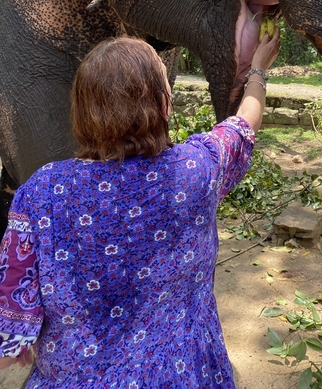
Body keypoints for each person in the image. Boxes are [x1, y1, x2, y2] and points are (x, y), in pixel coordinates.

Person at [0, 30, 280, 388]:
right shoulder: (198, 168)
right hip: (188, 376)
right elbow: (245, 122)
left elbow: (10, 340)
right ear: (164, 105)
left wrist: (21, 338)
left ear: (83, 111)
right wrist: (258, 69)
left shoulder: (41, 193)